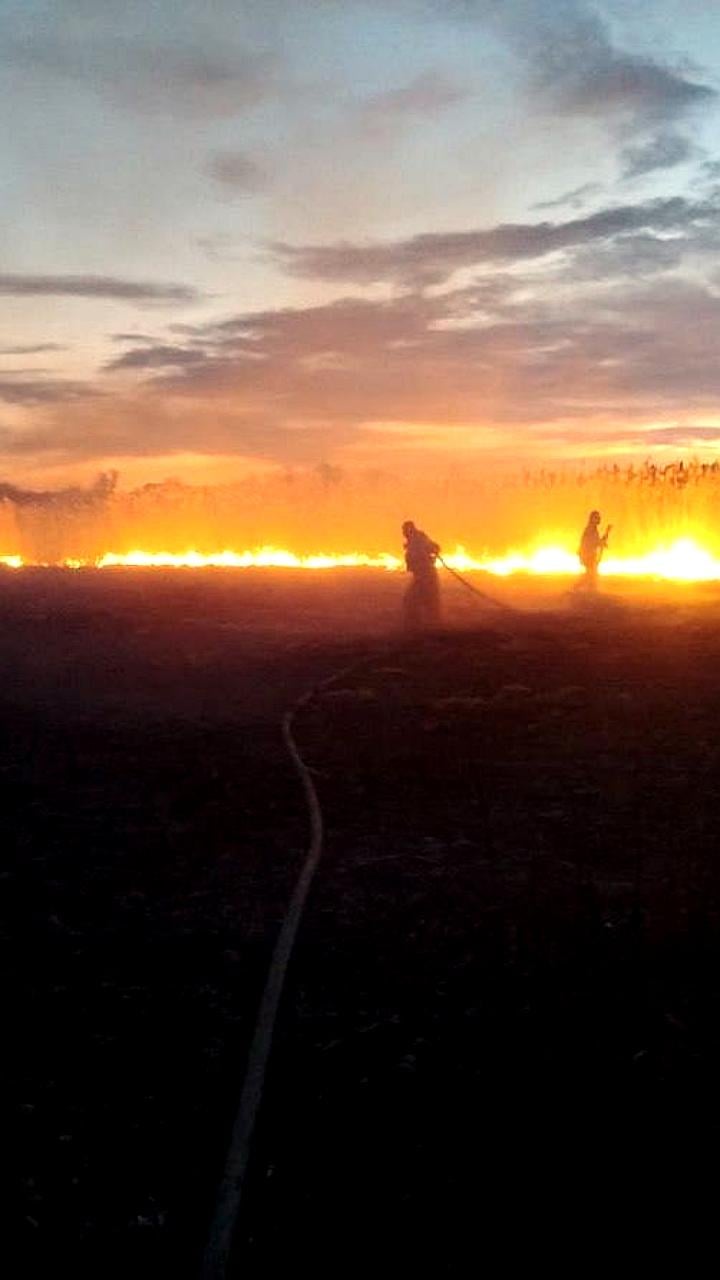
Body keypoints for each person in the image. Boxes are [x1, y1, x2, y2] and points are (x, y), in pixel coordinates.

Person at [402, 520, 441, 629]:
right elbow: (435, 547)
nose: (404, 534)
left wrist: (431, 555)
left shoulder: (418, 540)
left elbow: (435, 548)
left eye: (405, 531)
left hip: (426, 577)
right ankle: (425, 626)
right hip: (423, 576)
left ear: (409, 530)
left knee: (412, 600)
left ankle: (420, 628)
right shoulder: (416, 540)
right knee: (420, 601)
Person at [577, 510, 611, 590]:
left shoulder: (593, 529)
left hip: (590, 555)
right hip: (588, 555)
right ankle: (577, 589)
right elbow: (592, 542)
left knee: (591, 576)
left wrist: (607, 532)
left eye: (599, 517)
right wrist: (601, 543)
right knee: (590, 575)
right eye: (596, 517)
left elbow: (598, 541)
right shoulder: (590, 529)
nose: (599, 519)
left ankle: (588, 592)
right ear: (592, 518)